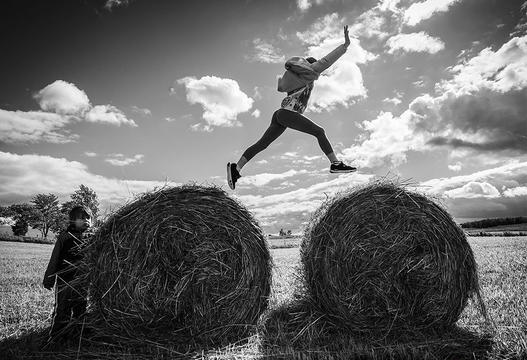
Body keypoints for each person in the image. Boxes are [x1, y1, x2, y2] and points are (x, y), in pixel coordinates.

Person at [227, 25, 357, 190]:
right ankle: (335, 164)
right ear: (309, 66)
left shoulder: (297, 79)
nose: (318, 73)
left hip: (280, 115)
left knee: (262, 144)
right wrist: (345, 46)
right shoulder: (307, 73)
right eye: (315, 67)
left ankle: (236, 169)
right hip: (287, 114)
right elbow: (326, 61)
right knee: (320, 132)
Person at [43, 205, 93, 341]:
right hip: (65, 280)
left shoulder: (92, 238)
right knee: (62, 309)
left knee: (81, 308)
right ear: (72, 220)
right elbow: (55, 259)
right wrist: (49, 279)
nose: (86, 220)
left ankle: (80, 334)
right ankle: (57, 336)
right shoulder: (65, 237)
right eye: (82, 218)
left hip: (83, 280)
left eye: (88, 217)